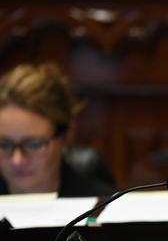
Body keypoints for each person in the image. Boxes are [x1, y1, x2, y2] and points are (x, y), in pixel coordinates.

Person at [0, 63, 115, 197]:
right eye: (4, 144)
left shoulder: (108, 205)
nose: (17, 160)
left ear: (65, 136)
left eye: (34, 144)